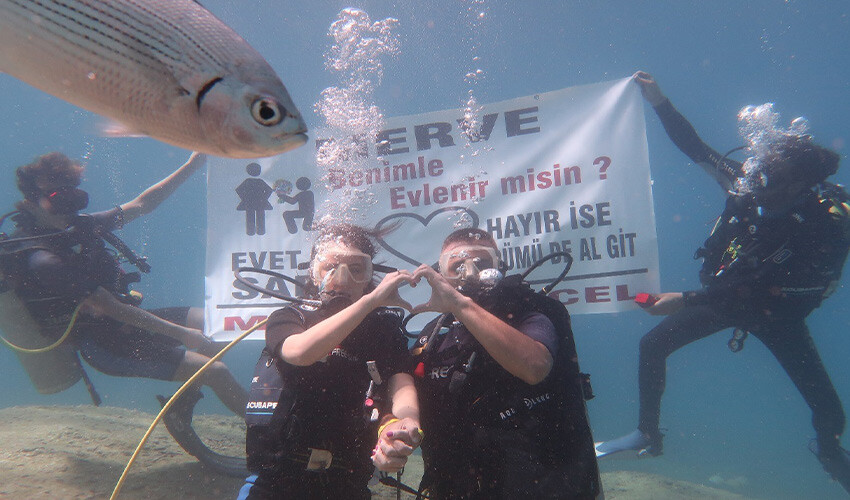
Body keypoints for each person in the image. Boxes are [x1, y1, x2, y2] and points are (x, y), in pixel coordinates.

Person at [595, 71, 850, 494]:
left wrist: (683, 299)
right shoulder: (747, 184)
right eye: (760, 169)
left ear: (801, 185)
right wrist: (660, 101)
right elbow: (693, 146)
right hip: (727, 297)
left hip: (778, 311)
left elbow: (759, 285)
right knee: (652, 344)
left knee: (826, 407)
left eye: (772, 175)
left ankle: (829, 451)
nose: (756, 182)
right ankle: (647, 434)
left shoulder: (821, 226)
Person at [0, 151, 248, 416]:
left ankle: (182, 405)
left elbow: (142, 205)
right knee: (217, 372)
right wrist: (182, 334)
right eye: (57, 199)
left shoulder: (79, 226)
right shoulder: (41, 259)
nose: (69, 207)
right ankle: (271, 441)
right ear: (29, 203)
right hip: (106, 345)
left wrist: (191, 165)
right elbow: (109, 307)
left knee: (219, 322)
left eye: (72, 195)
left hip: (127, 324)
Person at [375, 228, 601, 499]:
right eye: (456, 266)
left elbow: (534, 366)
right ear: (442, 273)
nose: (469, 272)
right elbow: (403, 392)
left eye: (482, 263)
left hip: (546, 485)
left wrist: (460, 305)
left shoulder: (532, 310)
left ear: (499, 266)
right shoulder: (434, 333)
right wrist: (390, 429)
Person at [240, 223, 420, 499]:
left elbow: (402, 385)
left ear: (369, 276)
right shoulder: (290, 317)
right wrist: (370, 302)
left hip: (347, 481)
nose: (342, 279)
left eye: (356, 269)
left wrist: (404, 424)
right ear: (314, 273)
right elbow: (300, 352)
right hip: (276, 479)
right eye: (330, 267)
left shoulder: (382, 331)